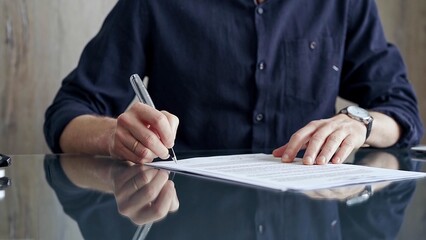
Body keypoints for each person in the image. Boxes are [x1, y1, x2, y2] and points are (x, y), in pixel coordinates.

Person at [44, 0, 423, 166]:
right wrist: (112, 136)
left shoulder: (344, 3)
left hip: (309, 218)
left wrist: (361, 123)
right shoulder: (153, 3)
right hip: (182, 219)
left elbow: (402, 111)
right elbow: (68, 112)